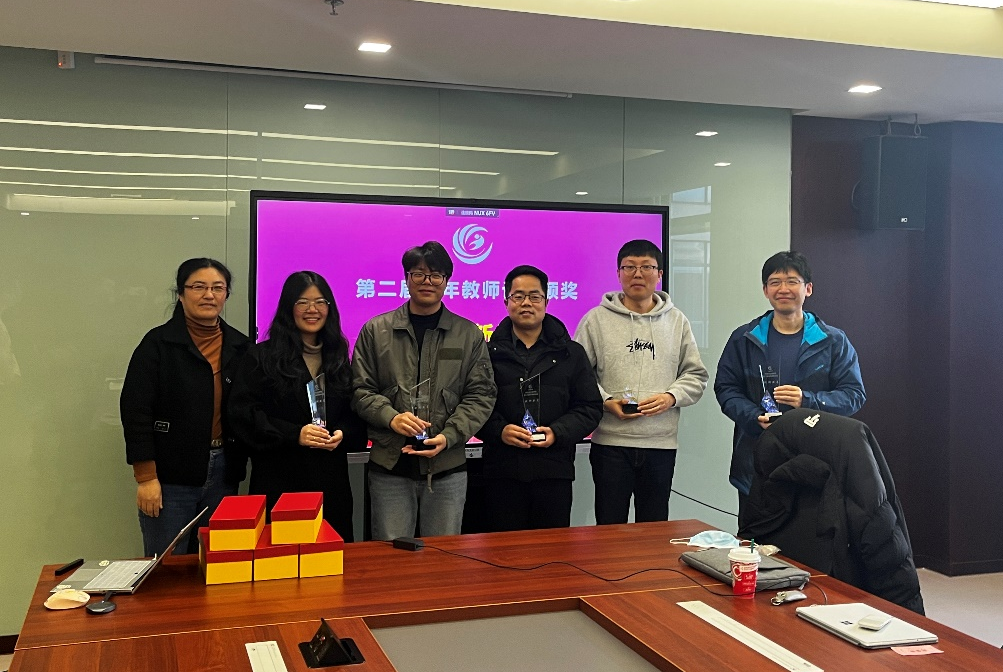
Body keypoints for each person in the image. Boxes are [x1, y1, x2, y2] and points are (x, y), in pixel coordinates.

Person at [351, 241, 496, 540]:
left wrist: (449, 435)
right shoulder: (375, 331)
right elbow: (360, 390)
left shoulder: (468, 334)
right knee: (392, 556)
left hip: (447, 468)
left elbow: (481, 395)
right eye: (418, 273)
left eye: (436, 275)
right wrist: (391, 417)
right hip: (390, 467)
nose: (427, 281)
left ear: (447, 280)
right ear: (406, 278)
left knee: (443, 558)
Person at [714, 250, 865, 514]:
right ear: (765, 290)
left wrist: (808, 400)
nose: (783, 289)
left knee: (809, 537)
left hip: (816, 461)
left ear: (808, 288)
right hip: (756, 459)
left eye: (792, 281)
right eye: (775, 282)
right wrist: (753, 417)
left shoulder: (833, 341)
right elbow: (726, 389)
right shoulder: (744, 338)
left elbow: (854, 394)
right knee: (753, 536)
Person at [121, 258, 250, 556]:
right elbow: (136, 411)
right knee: (166, 565)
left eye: (218, 288)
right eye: (198, 287)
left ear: (226, 295)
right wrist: (146, 477)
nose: (209, 295)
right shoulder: (158, 344)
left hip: (224, 473)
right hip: (169, 476)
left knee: (218, 562)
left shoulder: (241, 347)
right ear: (180, 293)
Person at [574, 239, 708, 525]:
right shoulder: (595, 320)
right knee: (609, 527)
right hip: (610, 444)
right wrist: (606, 402)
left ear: (659, 274)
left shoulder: (677, 321)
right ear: (618, 273)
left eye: (646, 267)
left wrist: (671, 397)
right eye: (629, 267)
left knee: (654, 527)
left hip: (660, 444)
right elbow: (578, 376)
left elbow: (696, 375)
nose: (637, 274)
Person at [228, 271, 366, 542]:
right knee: (280, 558)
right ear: (288, 308)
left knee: (330, 558)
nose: (312, 309)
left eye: (320, 302)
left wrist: (342, 433)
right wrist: (295, 435)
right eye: (303, 302)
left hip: (331, 482)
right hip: (279, 479)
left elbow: (354, 414)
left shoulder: (338, 358)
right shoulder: (261, 357)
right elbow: (243, 415)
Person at [480, 265, 603, 531]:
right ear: (506, 302)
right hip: (501, 471)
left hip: (553, 471)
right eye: (518, 296)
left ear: (546, 302)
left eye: (534, 296)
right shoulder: (487, 354)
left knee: (551, 550)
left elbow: (590, 408)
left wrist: (557, 432)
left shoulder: (571, 353)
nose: (526, 303)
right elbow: (474, 405)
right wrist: (500, 431)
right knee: (503, 550)